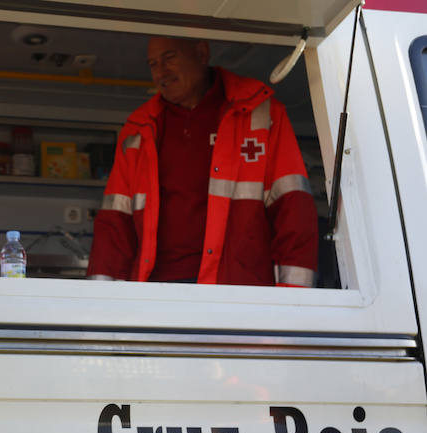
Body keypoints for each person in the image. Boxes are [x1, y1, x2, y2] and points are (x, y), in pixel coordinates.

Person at [87, 36, 319, 286]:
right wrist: (99, 307)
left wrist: (294, 300)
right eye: (153, 64)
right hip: (154, 295)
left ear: (201, 53)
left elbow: (294, 211)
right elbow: (113, 227)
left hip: (235, 297)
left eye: (169, 58)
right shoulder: (137, 130)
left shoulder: (262, 113)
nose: (161, 72)